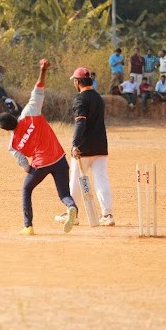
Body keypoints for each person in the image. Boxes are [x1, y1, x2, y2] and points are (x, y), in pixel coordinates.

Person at [0, 58, 78, 236]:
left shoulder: (13, 144)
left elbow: (25, 166)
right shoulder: (29, 113)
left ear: (4, 129)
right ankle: (71, 207)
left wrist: (34, 168)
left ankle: (28, 226)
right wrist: (43, 69)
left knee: (26, 189)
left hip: (40, 164)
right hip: (59, 157)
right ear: (13, 115)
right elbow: (38, 89)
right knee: (63, 193)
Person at [57, 66, 114, 227]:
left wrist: (75, 144)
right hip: (101, 146)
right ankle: (107, 214)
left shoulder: (80, 99)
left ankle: (72, 213)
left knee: (75, 180)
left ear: (77, 82)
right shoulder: (98, 98)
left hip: (84, 148)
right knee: (101, 179)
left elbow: (80, 123)